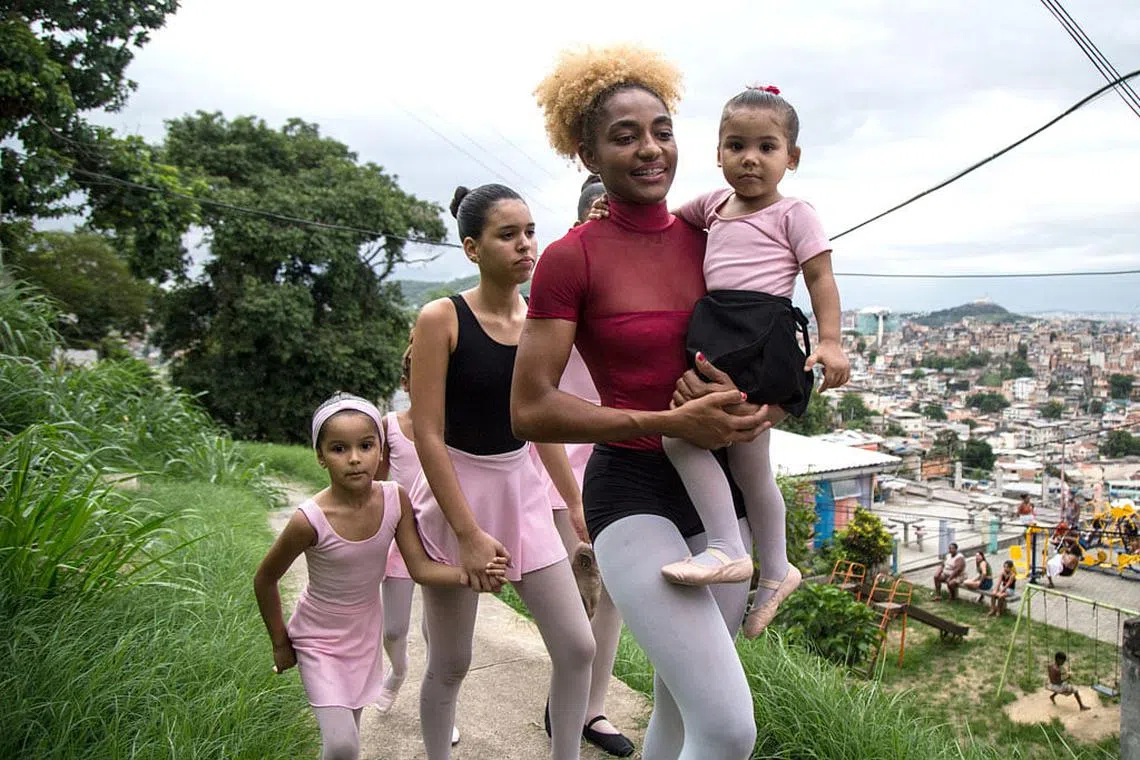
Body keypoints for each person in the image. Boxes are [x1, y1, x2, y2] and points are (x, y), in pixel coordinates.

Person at [517, 45, 775, 759]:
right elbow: (530, 408)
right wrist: (668, 421)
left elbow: (769, 340)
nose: (650, 149)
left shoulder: (711, 235)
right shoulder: (572, 257)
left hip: (722, 498)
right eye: (624, 136)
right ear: (587, 154)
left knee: (681, 714)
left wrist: (769, 408)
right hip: (631, 491)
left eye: (662, 131)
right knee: (728, 730)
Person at [587, 85, 849, 636]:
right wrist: (611, 209)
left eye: (766, 147)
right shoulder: (712, 205)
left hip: (759, 334)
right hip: (725, 331)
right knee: (751, 466)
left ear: (792, 158)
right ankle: (775, 567)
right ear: (718, 153)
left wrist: (830, 341)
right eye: (736, 146)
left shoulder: (795, 212)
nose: (750, 159)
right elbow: (660, 218)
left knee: (681, 437)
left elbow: (820, 277)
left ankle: (728, 544)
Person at [409, 183, 594, 760]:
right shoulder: (442, 318)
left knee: (578, 648)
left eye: (530, 232)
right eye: (507, 235)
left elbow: (539, 425)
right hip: (456, 493)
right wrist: (466, 533)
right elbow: (427, 434)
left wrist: (575, 504)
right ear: (472, 248)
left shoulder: (542, 320)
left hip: (523, 490)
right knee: (450, 662)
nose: (525, 245)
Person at [253, 394, 505, 760]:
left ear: (381, 449)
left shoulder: (394, 500)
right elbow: (264, 578)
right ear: (320, 456)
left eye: (366, 445)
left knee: (347, 740)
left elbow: (420, 568)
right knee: (342, 745)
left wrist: (470, 575)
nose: (355, 458)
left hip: (363, 638)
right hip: (317, 640)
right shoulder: (308, 520)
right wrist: (279, 641)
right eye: (339, 449)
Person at [535, 175, 634, 758]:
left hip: (620, 461)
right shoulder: (561, 280)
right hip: (560, 470)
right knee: (578, 596)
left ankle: (588, 708)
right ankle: (567, 702)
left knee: (614, 593)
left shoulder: (633, 281)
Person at [372, 336, 463, 745]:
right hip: (400, 539)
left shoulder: (454, 430)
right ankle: (398, 670)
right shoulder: (389, 425)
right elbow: (377, 485)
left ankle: (443, 711)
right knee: (393, 629)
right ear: (406, 382)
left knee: (439, 638)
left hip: (439, 536)